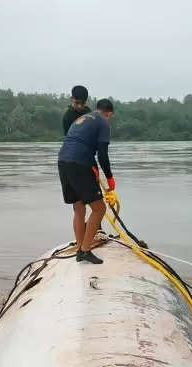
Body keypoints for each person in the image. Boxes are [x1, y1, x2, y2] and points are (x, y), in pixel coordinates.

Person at [58, 99, 116, 264]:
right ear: (109, 113)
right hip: (80, 164)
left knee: (78, 207)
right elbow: (102, 154)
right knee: (99, 209)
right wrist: (110, 177)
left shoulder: (80, 119)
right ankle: (85, 250)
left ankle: (79, 248)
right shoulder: (103, 122)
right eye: (111, 116)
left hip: (63, 161)